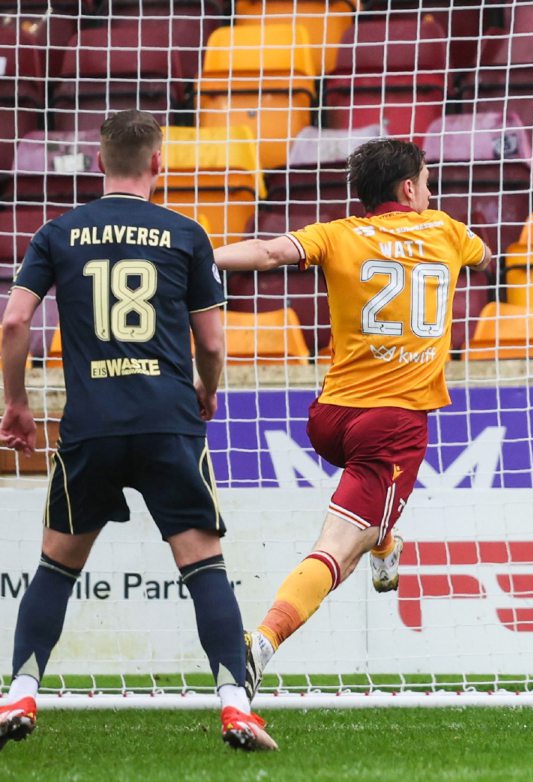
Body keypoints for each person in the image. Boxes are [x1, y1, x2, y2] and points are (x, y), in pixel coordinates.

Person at [0, 110, 275, 751]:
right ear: (159, 164)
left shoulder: (58, 231)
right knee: (204, 567)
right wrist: (208, 389)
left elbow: (14, 324)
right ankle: (235, 706)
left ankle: (19, 692)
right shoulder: (187, 233)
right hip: (167, 422)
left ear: (100, 164)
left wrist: (15, 403)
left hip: (90, 425)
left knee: (55, 568)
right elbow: (210, 339)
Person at [211, 137, 489, 695]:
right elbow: (484, 259)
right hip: (392, 424)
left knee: (377, 514)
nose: (430, 191)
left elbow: (267, 255)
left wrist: (196, 256)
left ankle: (386, 540)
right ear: (409, 188)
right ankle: (260, 643)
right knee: (342, 545)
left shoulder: (337, 233)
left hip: (330, 417)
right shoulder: (448, 231)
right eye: (427, 181)